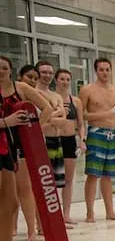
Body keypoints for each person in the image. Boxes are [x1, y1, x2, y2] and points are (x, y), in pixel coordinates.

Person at [0, 57, 53, 241]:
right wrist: (6, 122)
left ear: (11, 71)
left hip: (8, 150)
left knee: (11, 204)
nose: (1, 71)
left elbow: (46, 108)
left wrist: (33, 130)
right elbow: (9, 121)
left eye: (4, 67)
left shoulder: (19, 88)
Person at [79, 57, 115, 222]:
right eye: (101, 69)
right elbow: (81, 115)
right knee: (93, 174)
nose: (105, 73)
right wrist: (104, 114)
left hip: (113, 135)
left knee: (108, 175)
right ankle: (90, 212)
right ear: (96, 71)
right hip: (95, 133)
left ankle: (110, 211)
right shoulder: (87, 90)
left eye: (107, 69)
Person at [35, 61, 70, 226]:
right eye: (44, 72)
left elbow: (63, 120)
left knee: (55, 185)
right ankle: (40, 224)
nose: (47, 75)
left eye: (49, 72)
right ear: (38, 73)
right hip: (43, 141)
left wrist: (51, 115)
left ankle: (52, 222)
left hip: (57, 141)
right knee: (43, 185)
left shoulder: (56, 96)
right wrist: (55, 115)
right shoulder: (34, 93)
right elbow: (39, 120)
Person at [54, 68, 85, 224]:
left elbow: (80, 123)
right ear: (56, 80)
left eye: (67, 79)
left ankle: (66, 214)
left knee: (68, 179)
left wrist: (82, 139)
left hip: (69, 140)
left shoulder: (76, 101)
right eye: (62, 79)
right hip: (55, 140)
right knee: (52, 179)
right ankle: (54, 214)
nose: (65, 82)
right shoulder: (51, 98)